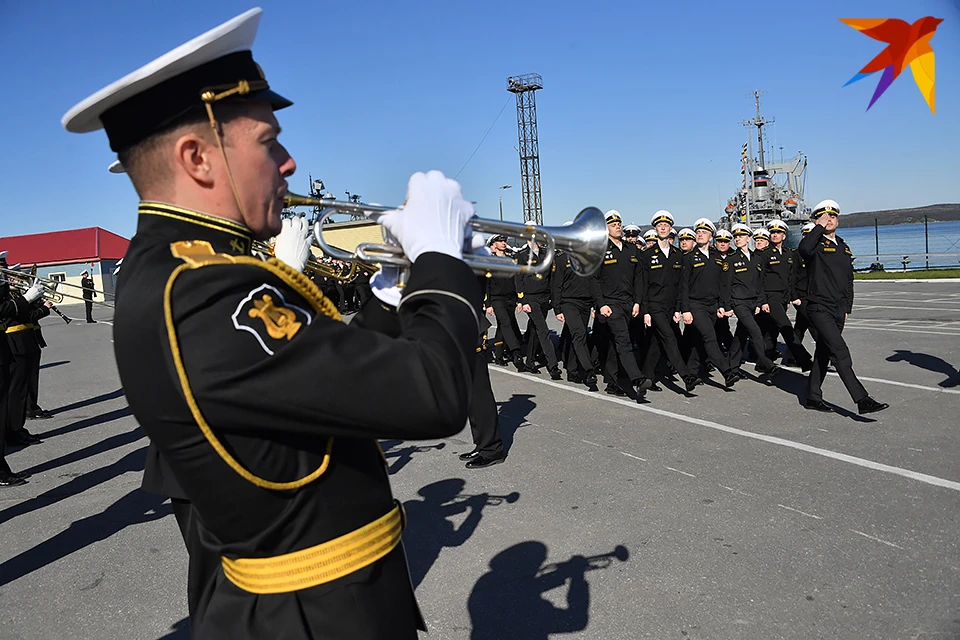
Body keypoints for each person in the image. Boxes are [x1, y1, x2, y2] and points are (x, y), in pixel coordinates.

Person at [63, 8, 482, 639]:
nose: (287, 162)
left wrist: (391, 299)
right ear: (198, 158)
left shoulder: (192, 269)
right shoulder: (201, 288)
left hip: (322, 602)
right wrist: (441, 262)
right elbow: (437, 394)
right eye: (269, 141)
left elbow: (319, 381)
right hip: (312, 615)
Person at [797, 200, 887, 415]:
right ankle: (862, 399)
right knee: (840, 351)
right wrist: (818, 227)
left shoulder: (843, 246)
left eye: (833, 217)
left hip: (838, 308)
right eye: (824, 217)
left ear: (838, 219)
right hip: (819, 307)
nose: (829, 220)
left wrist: (847, 306)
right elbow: (803, 248)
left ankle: (812, 397)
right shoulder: (815, 245)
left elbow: (848, 279)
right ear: (818, 220)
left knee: (824, 352)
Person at [638, 210, 699, 392]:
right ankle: (686, 376)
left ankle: (645, 378)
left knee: (657, 344)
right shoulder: (647, 255)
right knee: (670, 338)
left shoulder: (677, 254)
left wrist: (678, 309)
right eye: (659, 226)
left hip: (670, 306)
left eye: (666, 225)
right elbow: (644, 285)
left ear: (671, 228)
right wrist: (646, 311)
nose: (663, 228)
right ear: (655, 229)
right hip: (654, 306)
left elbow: (681, 285)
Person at [591, 210, 649, 398]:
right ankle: (637, 379)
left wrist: (637, 302)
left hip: (628, 303)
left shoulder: (632, 250)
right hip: (611, 304)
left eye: (619, 223)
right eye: (612, 223)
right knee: (624, 341)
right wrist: (600, 304)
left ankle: (612, 382)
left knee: (615, 342)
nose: (617, 226)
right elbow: (594, 280)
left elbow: (639, 279)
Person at [679, 218, 738, 387]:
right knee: (710, 337)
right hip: (695, 305)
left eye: (704, 232)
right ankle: (727, 372)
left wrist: (722, 305)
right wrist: (685, 310)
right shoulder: (689, 258)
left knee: (699, 340)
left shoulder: (717, 258)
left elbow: (722, 285)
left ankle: (691, 375)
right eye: (698, 232)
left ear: (711, 236)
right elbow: (683, 286)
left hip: (713, 305)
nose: (700, 234)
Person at [722, 224, 781, 379]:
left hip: (752, 302)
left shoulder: (757, 259)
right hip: (739, 302)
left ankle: (732, 367)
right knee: (754, 330)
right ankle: (767, 363)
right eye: (735, 237)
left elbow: (759, 284)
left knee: (740, 335)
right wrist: (727, 306)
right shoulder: (731, 260)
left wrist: (761, 302)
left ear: (748, 239)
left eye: (741, 236)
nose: (737, 239)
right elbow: (725, 286)